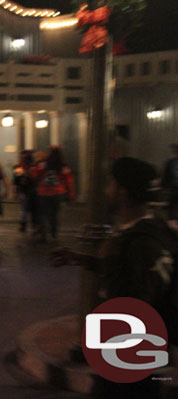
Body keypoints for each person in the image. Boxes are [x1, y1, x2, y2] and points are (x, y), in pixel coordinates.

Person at [53, 157, 178, 398]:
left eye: (110, 183)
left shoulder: (138, 243)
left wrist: (109, 258)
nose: (106, 190)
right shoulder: (154, 230)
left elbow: (132, 305)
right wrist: (83, 259)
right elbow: (135, 275)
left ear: (123, 193)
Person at [31, 146, 75, 241]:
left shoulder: (43, 164)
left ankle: (43, 231)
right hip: (58, 193)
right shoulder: (63, 166)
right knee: (55, 213)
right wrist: (71, 193)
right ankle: (54, 231)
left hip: (43, 193)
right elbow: (69, 180)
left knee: (43, 213)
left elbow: (35, 175)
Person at [12, 150, 36, 232]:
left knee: (23, 209)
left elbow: (16, 180)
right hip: (33, 191)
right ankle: (33, 224)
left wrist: (15, 192)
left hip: (23, 191)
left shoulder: (19, 167)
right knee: (33, 209)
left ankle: (23, 225)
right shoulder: (34, 167)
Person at [162, 143, 178, 231]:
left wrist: (164, 187)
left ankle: (172, 230)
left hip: (173, 190)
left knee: (171, 212)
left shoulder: (171, 162)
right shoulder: (171, 162)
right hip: (173, 190)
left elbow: (165, 177)